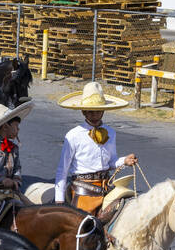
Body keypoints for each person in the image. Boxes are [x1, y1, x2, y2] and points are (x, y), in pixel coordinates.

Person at [53, 81, 138, 213]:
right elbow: (62, 169)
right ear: (83, 112)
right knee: (84, 225)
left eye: (98, 111)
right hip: (83, 188)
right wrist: (59, 200)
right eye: (91, 112)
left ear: (104, 111)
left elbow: (111, 162)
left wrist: (125, 161)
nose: (95, 115)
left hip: (106, 186)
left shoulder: (110, 133)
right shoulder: (73, 135)